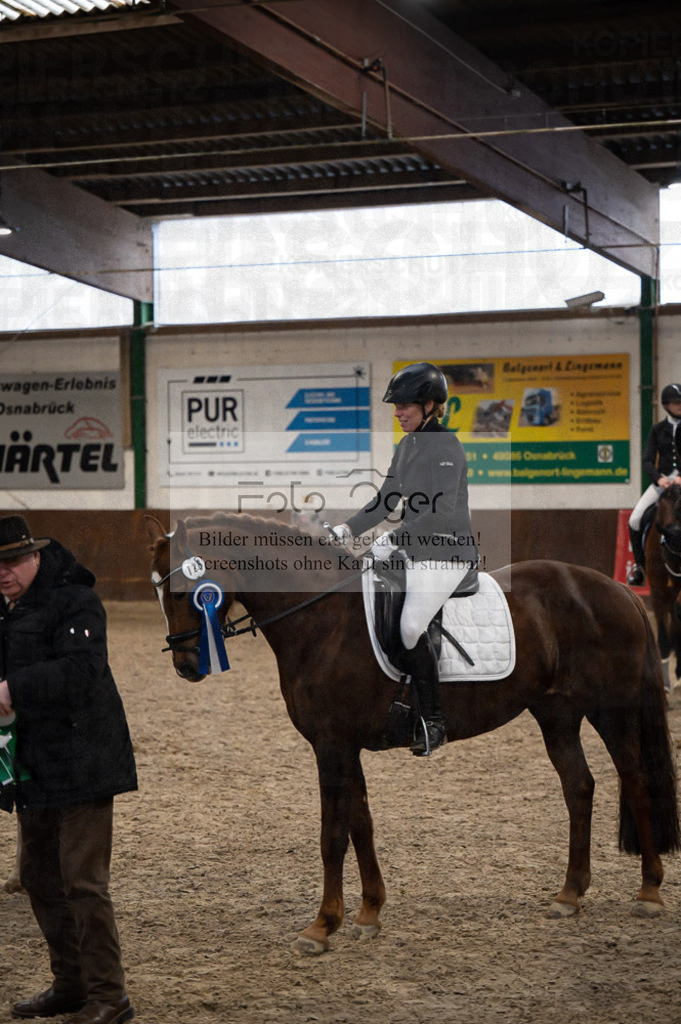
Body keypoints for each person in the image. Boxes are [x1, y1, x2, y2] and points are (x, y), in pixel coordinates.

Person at [0, 515, 137, 1024]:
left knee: (82, 881)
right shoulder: (6, 610)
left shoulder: (77, 600)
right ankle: (71, 984)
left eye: (13, 560)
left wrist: (13, 689)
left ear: (36, 556)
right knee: (38, 876)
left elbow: (82, 671)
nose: (4, 572)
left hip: (86, 759)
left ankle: (110, 996)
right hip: (36, 763)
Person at [332, 362, 479, 755]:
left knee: (411, 625)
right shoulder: (408, 446)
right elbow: (385, 501)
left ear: (430, 405)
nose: (397, 413)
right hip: (413, 549)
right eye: (395, 407)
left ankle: (433, 722)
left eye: (404, 407)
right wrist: (346, 530)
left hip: (448, 552)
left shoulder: (446, 446)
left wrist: (392, 538)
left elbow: (441, 513)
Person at [627, 383, 681, 586]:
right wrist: (658, 478)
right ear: (667, 405)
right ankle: (639, 568)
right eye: (676, 403)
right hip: (664, 482)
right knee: (634, 519)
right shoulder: (658, 429)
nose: (680, 406)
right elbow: (647, 460)